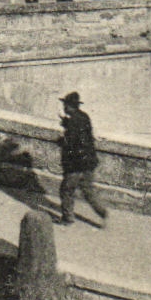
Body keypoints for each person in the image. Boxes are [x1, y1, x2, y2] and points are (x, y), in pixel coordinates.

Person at [57, 91, 108, 227]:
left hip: (75, 164)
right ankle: (102, 212)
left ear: (69, 106)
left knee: (66, 190)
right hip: (88, 162)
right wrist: (66, 122)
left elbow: (71, 141)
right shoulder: (84, 116)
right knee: (88, 190)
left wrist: (61, 141)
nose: (64, 107)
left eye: (65, 105)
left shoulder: (73, 121)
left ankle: (68, 218)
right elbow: (82, 132)